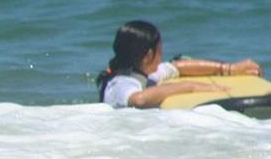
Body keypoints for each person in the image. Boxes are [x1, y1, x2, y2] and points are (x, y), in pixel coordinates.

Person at [96, 21, 262, 108]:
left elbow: (177, 66)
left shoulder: (139, 73)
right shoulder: (121, 83)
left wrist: (229, 69)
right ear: (149, 54)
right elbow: (138, 100)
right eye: (160, 49)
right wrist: (187, 86)